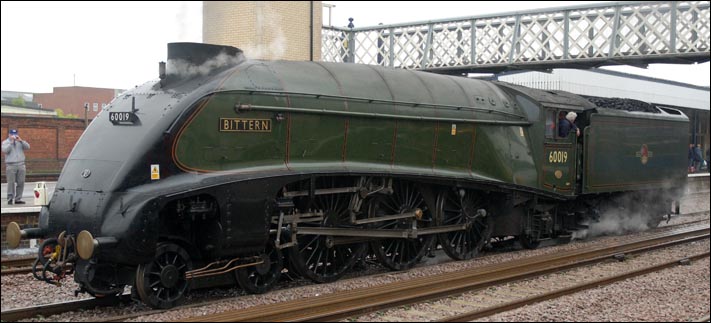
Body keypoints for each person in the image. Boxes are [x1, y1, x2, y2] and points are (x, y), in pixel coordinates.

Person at [2, 129, 30, 204]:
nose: (14, 136)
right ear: (9, 135)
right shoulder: (5, 142)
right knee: (11, 183)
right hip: (11, 165)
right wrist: (11, 142)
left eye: (15, 134)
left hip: (21, 165)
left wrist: (21, 141)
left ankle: (18, 199)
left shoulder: (20, 142)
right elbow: (5, 150)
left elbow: (28, 147)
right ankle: (10, 198)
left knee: (21, 182)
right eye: (12, 134)